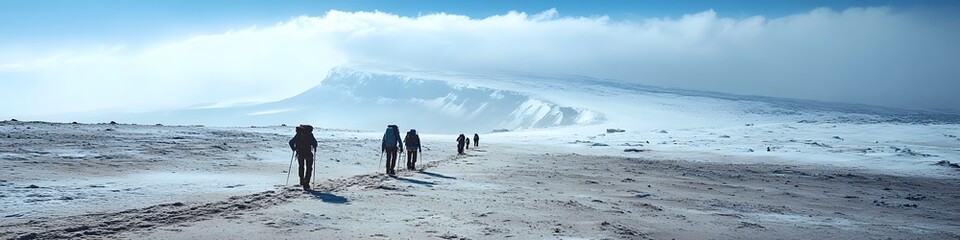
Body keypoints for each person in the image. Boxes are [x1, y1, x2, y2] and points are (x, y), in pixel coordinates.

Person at [288, 125, 317, 190]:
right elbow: (315, 143)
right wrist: (314, 147)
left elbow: (291, 142)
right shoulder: (310, 135)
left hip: (300, 153)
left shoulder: (298, 134)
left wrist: (294, 149)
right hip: (308, 153)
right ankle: (306, 183)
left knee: (301, 166)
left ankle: (301, 180)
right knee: (309, 168)